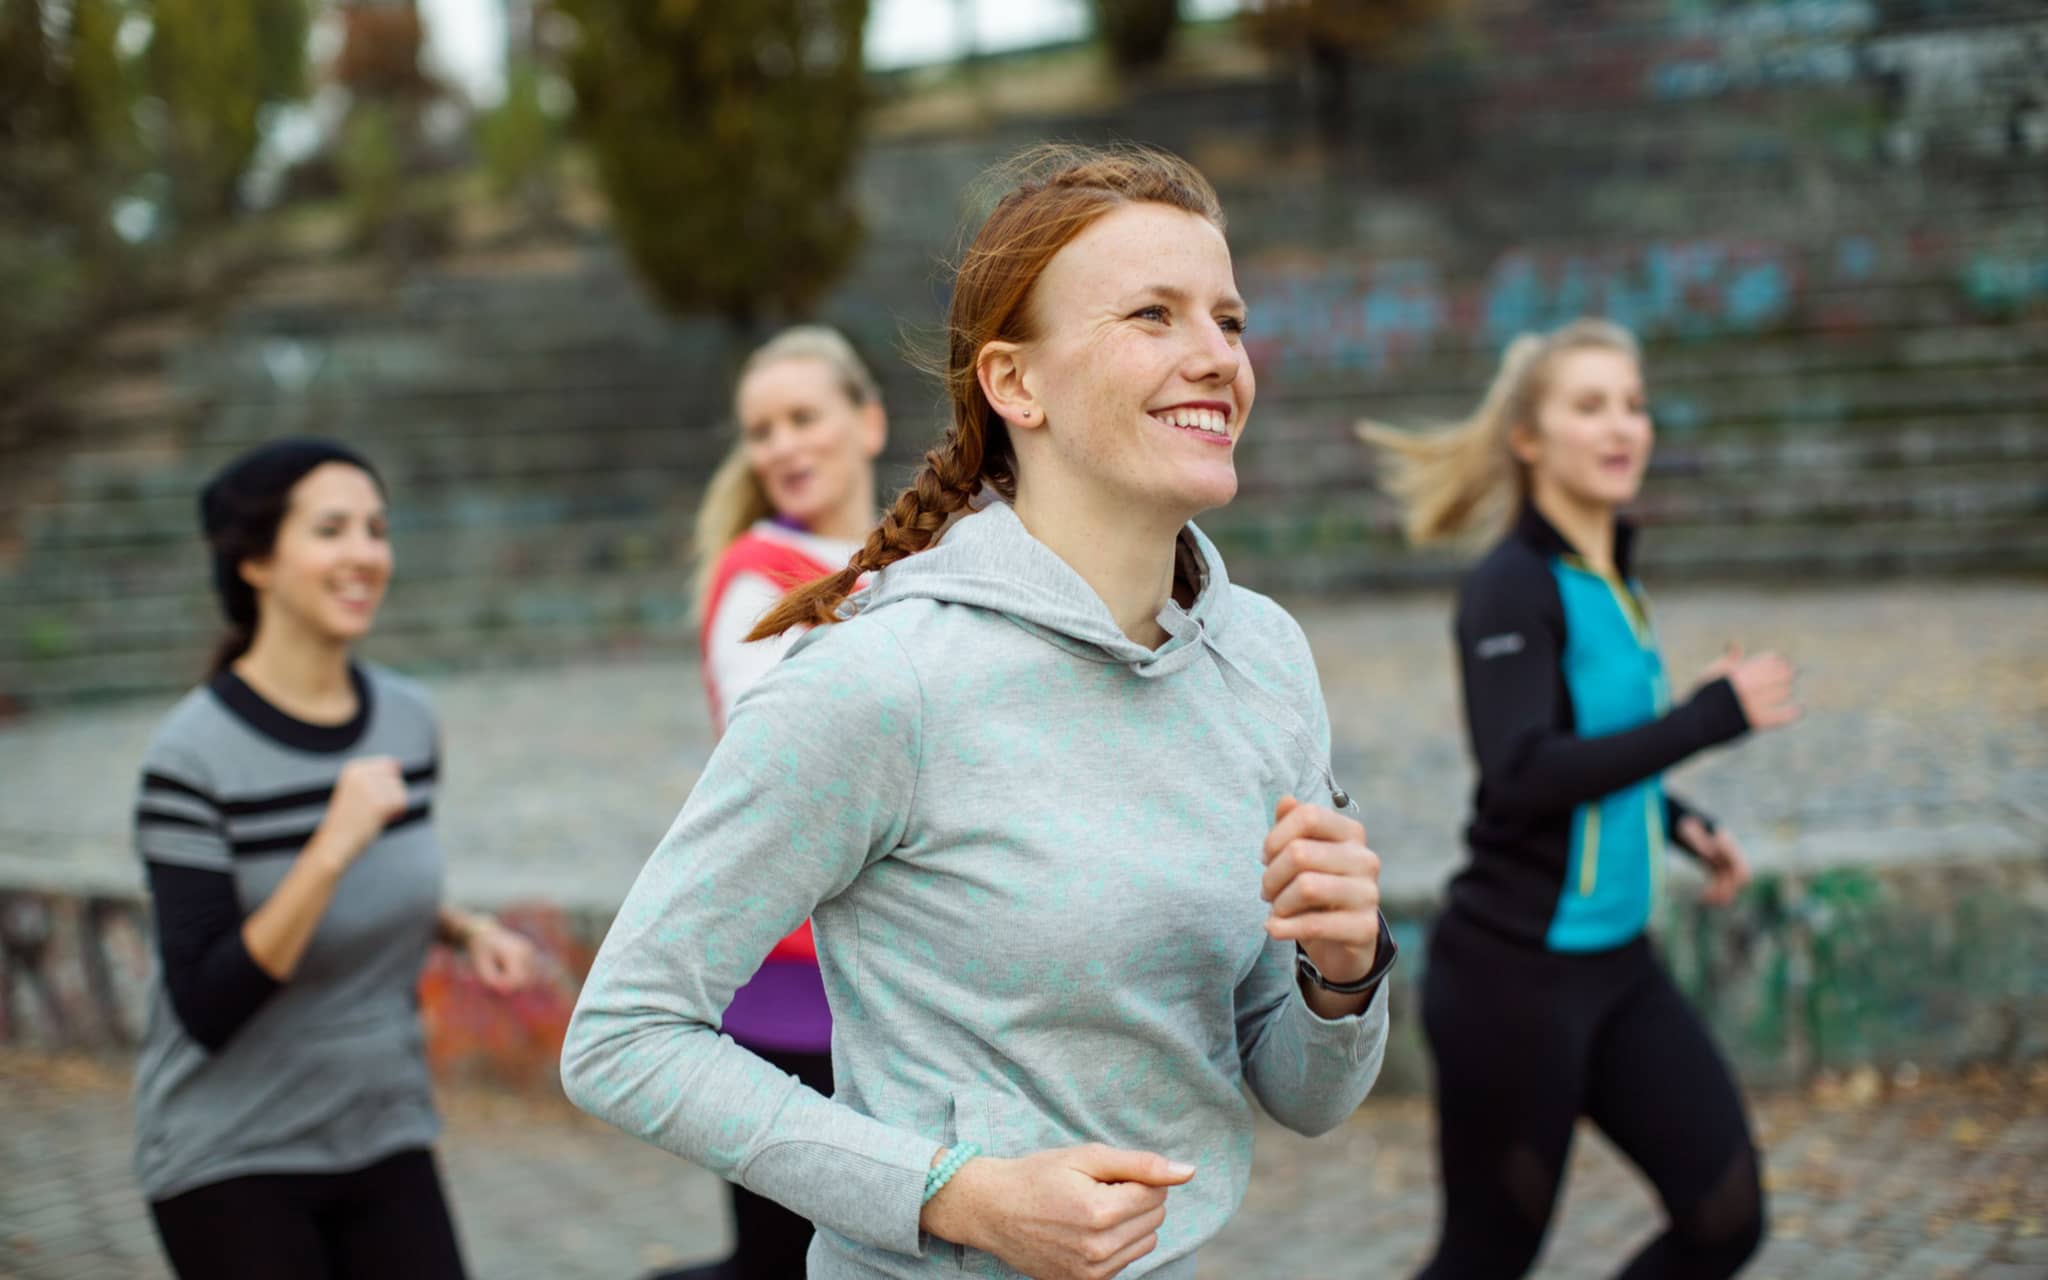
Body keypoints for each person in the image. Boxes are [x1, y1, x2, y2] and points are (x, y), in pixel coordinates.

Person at [562, 143, 1396, 1280]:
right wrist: (957, 1195)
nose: (1215, 358)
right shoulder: (881, 678)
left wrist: (1341, 972)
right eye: (1152, 316)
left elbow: (1304, 1093)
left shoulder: (1264, 658)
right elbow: (621, 1035)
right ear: (1013, 382)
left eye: (1229, 320)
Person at [1360, 319, 1797, 1279]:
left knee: (1726, 1217)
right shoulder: (1510, 588)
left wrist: (1683, 825)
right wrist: (1709, 715)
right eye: (1590, 405)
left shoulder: (1612, 573)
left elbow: (1594, 755)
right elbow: (1521, 773)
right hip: (1515, 980)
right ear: (1528, 438)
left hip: (1620, 971)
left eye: (1633, 405)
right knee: (1484, 1260)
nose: (1622, 426)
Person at [131, 438, 540, 1279]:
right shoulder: (191, 758)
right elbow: (208, 1001)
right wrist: (332, 842)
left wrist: (464, 930)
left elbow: (376, 890)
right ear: (255, 561)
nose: (365, 554)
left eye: (376, 529)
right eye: (331, 530)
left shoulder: (407, 720)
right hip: (232, 1155)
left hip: (383, 1130)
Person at [669, 326, 887, 1279]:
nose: (784, 445)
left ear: (868, 422)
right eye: (762, 429)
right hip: (789, 985)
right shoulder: (757, 576)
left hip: (892, 971)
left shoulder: (925, 554)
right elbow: (789, 761)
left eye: (804, 417)